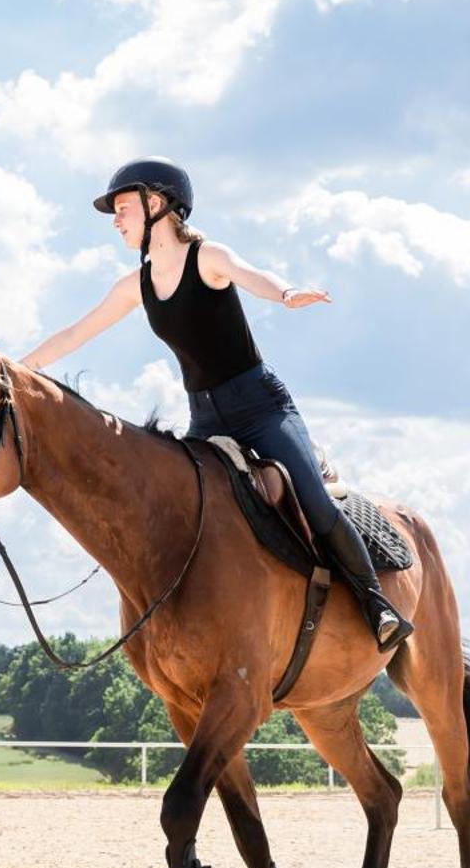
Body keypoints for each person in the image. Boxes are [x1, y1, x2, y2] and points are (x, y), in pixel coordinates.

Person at [22, 158, 411, 651]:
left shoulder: (207, 256)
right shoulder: (135, 285)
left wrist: (287, 293)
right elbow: (77, 332)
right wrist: (14, 367)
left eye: (122, 209)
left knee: (312, 500)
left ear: (156, 204)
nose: (116, 221)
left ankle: (377, 604)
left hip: (262, 409)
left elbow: (254, 276)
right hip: (205, 419)